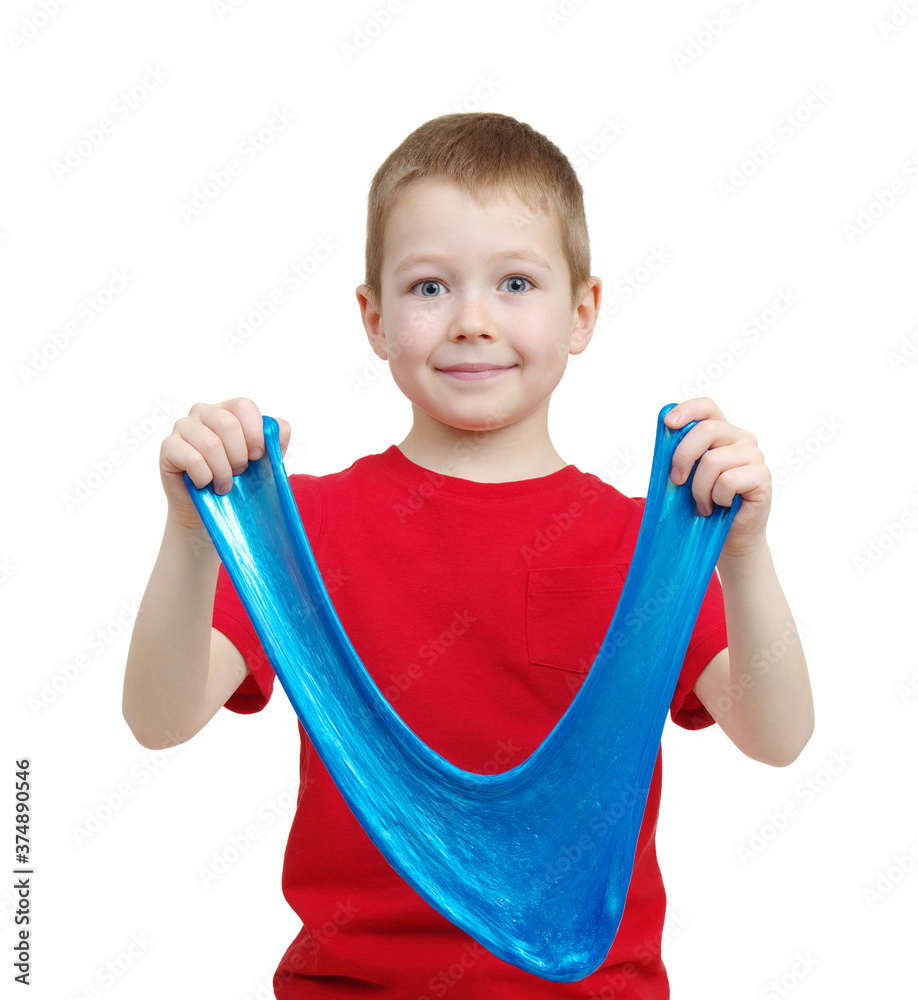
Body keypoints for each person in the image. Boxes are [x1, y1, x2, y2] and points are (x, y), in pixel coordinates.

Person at [123, 112, 814, 998]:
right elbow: (159, 717)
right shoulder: (307, 531)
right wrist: (192, 534)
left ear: (582, 312)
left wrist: (744, 555)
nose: (472, 321)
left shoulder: (643, 546)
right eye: (428, 289)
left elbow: (778, 736)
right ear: (373, 319)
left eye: (516, 282)